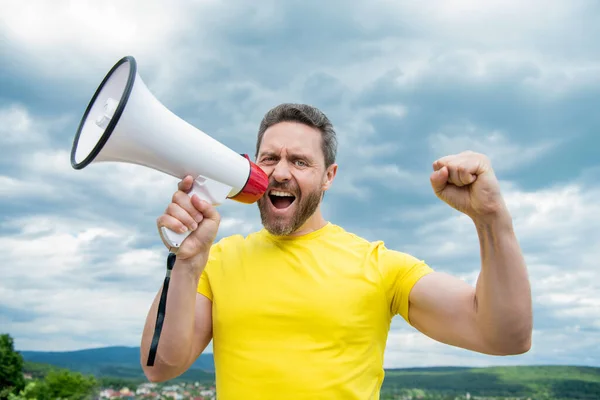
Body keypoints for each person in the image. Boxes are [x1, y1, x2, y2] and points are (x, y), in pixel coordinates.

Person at [140, 103, 533, 399]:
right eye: (269, 158)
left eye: (299, 161)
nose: (280, 172)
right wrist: (186, 261)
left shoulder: (380, 266)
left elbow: (504, 336)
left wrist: (491, 217)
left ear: (329, 176)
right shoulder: (218, 258)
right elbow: (161, 367)